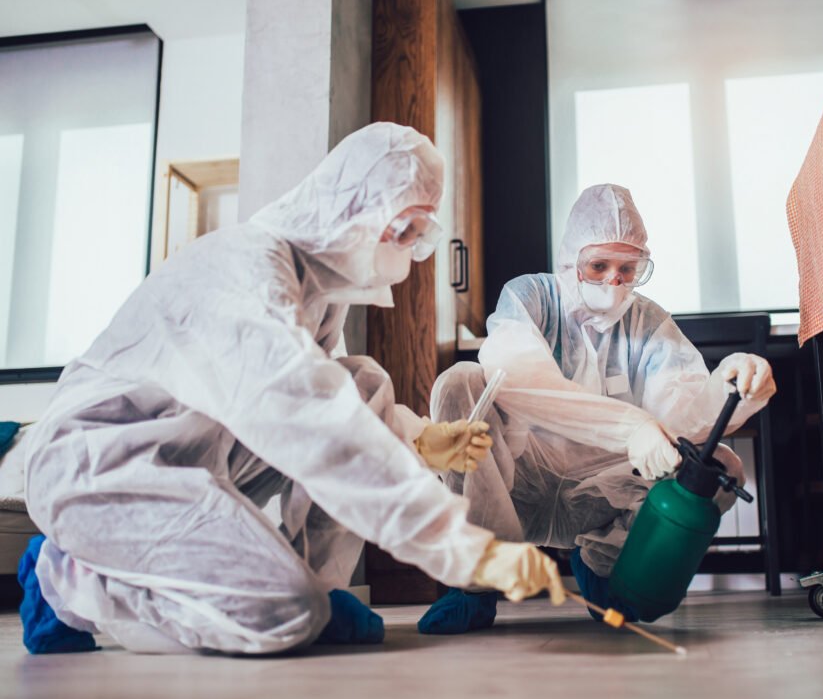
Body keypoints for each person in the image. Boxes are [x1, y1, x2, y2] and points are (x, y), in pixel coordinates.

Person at [18, 122, 564, 656]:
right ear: (355, 210)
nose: (412, 249)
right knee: (285, 612)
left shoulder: (319, 288)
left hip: (184, 454)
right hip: (99, 468)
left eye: (420, 234)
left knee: (364, 380)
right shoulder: (248, 274)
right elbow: (312, 421)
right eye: (406, 230)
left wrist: (419, 437)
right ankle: (68, 579)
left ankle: (319, 587)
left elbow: (330, 397)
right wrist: (461, 547)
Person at [418, 184, 775, 634]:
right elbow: (518, 375)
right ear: (571, 260)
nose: (614, 281)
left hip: (603, 489)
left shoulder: (649, 323)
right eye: (599, 265)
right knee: (460, 383)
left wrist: (729, 386)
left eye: (628, 269)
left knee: (719, 465)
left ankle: (605, 567)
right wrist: (631, 427)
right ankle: (476, 584)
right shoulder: (532, 296)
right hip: (519, 474)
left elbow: (681, 415)